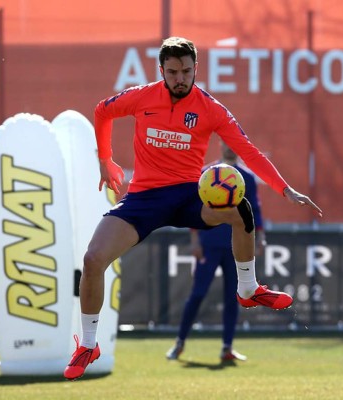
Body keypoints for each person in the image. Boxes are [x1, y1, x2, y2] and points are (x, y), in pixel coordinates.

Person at [64, 36, 322, 380]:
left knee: (240, 209)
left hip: (189, 196)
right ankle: (89, 344)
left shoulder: (210, 109)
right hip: (145, 198)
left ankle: (248, 289)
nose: (180, 78)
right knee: (93, 259)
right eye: (172, 72)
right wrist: (106, 160)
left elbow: (248, 151)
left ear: (196, 68)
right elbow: (103, 111)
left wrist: (284, 188)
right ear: (162, 70)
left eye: (186, 70)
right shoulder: (143, 97)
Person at [166, 142, 266, 362]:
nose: (231, 147)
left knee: (234, 297)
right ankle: (179, 343)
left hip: (235, 247)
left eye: (234, 144)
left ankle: (227, 347)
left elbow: (254, 211)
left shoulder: (246, 178)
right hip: (209, 243)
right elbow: (194, 209)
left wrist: (260, 238)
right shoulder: (207, 174)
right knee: (198, 294)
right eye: (226, 143)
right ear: (220, 145)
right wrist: (195, 240)